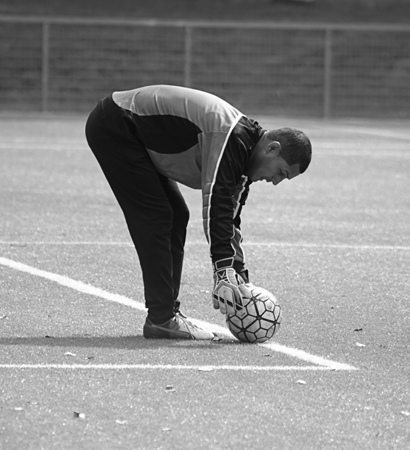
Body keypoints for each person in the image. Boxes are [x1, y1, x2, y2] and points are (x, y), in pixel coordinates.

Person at [85, 85, 312, 340]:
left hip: (130, 132)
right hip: (116, 124)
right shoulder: (232, 138)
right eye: (281, 172)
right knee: (158, 216)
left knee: (176, 215)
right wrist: (223, 270)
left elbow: (230, 219)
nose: (276, 181)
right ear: (272, 148)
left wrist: (238, 275)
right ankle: (161, 319)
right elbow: (217, 202)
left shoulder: (243, 155)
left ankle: (166, 316)